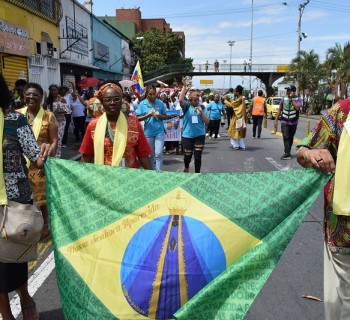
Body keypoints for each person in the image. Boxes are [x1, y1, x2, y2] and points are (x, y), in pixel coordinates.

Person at [0, 75, 50, 320]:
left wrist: (44, 154)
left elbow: (35, 157)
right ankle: (6, 313)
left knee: (14, 260)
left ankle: (25, 297)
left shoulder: (14, 121)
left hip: (15, 201)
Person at [296, 98, 350, 320]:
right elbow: (303, 151)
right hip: (344, 234)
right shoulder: (343, 112)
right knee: (342, 308)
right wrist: (311, 154)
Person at [18, 83, 58, 240]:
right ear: (23, 97)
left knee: (43, 199)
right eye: (28, 94)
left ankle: (45, 224)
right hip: (21, 165)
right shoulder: (18, 115)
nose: (31, 97)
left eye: (35, 94)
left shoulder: (49, 116)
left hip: (41, 163)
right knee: (23, 198)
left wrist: (50, 155)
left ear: (41, 97)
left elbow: (54, 141)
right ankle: (25, 225)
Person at [79, 83, 152, 169]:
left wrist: (153, 179)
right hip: (103, 177)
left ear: (122, 101)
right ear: (102, 102)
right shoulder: (93, 125)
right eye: (108, 99)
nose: (112, 102)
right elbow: (86, 155)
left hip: (129, 178)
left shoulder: (134, 123)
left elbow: (143, 155)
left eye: (116, 99)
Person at [136, 85, 173, 171]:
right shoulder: (142, 104)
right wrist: (148, 115)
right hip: (148, 133)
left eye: (154, 94)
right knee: (150, 155)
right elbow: (137, 118)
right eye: (150, 94)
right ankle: (153, 172)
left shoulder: (160, 103)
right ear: (147, 94)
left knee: (158, 153)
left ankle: (159, 173)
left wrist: (159, 116)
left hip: (159, 131)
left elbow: (166, 116)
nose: (152, 96)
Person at [178, 77, 209, 173]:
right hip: (187, 135)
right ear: (190, 101)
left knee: (198, 156)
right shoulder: (186, 106)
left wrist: (202, 112)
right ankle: (186, 166)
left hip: (199, 135)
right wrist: (184, 86)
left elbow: (207, 122)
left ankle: (197, 174)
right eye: (194, 100)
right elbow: (180, 99)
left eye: (197, 100)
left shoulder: (202, 107)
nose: (196, 102)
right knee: (187, 155)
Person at [274, 84, 302, 160]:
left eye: (288, 90)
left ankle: (288, 151)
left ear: (292, 91)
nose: (287, 91)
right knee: (285, 136)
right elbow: (279, 109)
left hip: (293, 122)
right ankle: (287, 153)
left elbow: (297, 108)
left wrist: (292, 99)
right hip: (284, 121)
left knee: (290, 137)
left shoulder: (298, 99)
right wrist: (276, 120)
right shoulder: (284, 99)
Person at [44, 84, 70, 158]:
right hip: (51, 122)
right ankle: (51, 154)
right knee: (50, 138)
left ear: (58, 91)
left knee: (58, 139)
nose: (53, 92)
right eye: (51, 90)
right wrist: (45, 98)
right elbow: (45, 109)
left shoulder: (62, 99)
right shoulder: (49, 100)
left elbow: (67, 110)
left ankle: (57, 156)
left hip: (60, 122)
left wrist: (58, 111)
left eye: (55, 90)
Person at [226, 85, 247, 150]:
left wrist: (225, 101)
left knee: (233, 131)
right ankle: (241, 146)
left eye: (235, 91)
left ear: (237, 92)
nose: (234, 92)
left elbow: (232, 105)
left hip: (237, 117)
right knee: (238, 132)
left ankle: (235, 145)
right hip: (240, 117)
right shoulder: (242, 98)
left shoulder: (240, 99)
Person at [60, 83, 74, 148]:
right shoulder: (57, 96)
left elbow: (74, 93)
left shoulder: (68, 96)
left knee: (65, 129)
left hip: (67, 114)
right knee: (59, 129)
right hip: (60, 114)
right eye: (62, 90)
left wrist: (73, 85)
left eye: (64, 90)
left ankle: (64, 142)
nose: (63, 91)